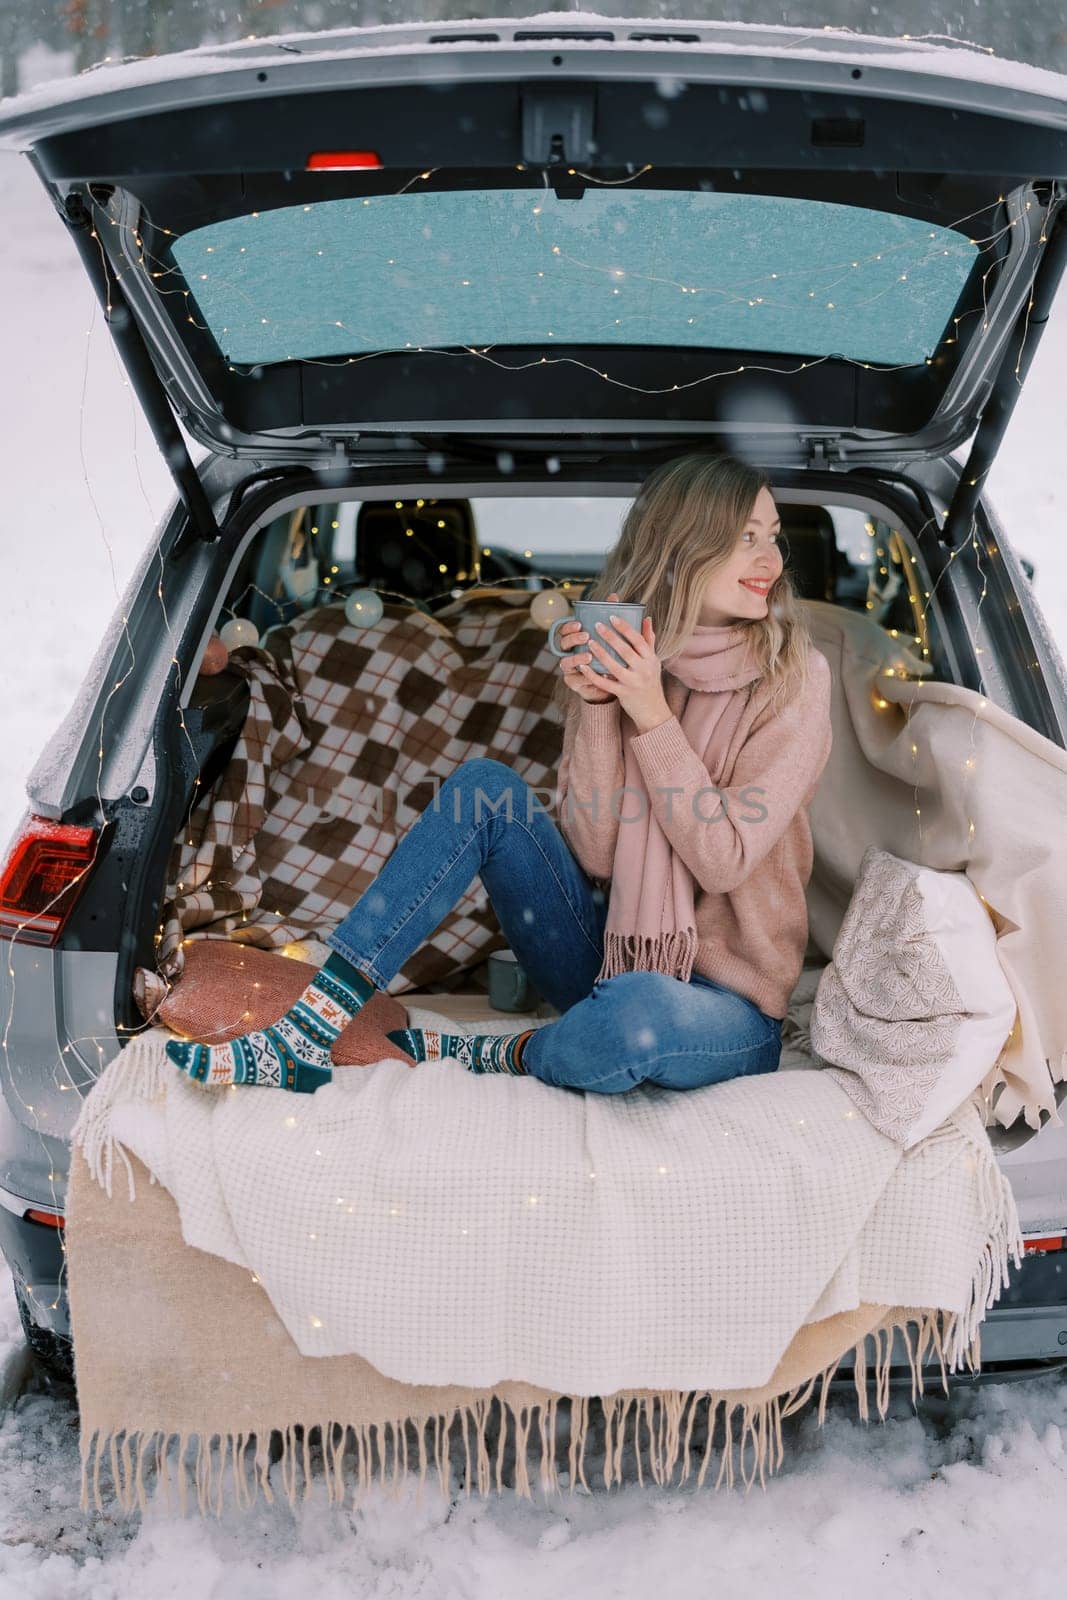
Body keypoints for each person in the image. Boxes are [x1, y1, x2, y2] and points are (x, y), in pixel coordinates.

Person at [165, 451, 832, 1097]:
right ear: (683, 546)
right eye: (746, 539)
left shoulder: (794, 680)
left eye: (772, 537)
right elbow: (597, 853)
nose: (770, 561)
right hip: (605, 959)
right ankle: (309, 1030)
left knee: (637, 1015)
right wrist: (599, 707)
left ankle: (498, 1051)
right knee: (484, 788)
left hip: (726, 1008)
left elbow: (723, 862)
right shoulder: (633, 658)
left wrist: (651, 715)